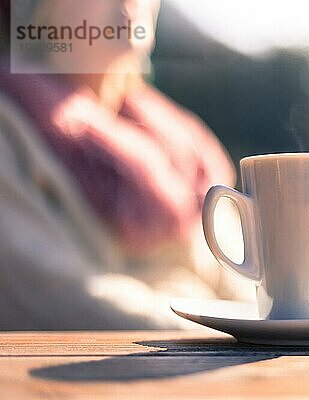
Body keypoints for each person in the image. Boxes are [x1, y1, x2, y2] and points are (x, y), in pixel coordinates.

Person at [0, 0, 253, 329]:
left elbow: (247, 289)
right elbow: (60, 300)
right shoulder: (10, 130)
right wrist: (233, 331)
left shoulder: (179, 141)